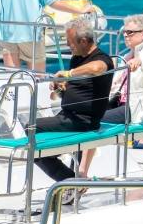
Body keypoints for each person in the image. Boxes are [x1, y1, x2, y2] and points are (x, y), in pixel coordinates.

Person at [79, 14, 143, 178]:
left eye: (130, 32)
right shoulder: (130, 54)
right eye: (124, 32)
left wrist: (142, 62)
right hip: (124, 103)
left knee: (93, 122)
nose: (126, 35)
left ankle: (81, 174)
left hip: (141, 108)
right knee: (84, 114)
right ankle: (78, 171)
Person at [26, 18, 114, 184]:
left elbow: (97, 68)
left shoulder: (102, 58)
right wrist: (60, 87)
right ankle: (72, 181)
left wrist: (68, 73)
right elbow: (75, 89)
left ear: (83, 41)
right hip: (68, 115)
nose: (68, 46)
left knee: (31, 129)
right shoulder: (77, 58)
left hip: (84, 120)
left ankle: (71, 182)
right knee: (34, 139)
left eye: (70, 42)